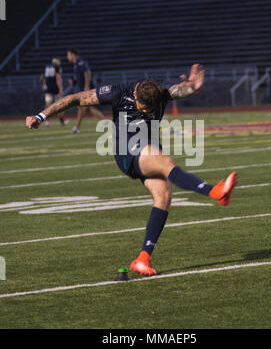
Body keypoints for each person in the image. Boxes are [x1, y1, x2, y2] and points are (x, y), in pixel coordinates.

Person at [26, 64, 238, 276]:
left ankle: (142, 258)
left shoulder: (161, 92)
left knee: (163, 196)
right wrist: (40, 116)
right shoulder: (119, 92)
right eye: (142, 107)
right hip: (127, 152)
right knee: (165, 162)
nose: (145, 112)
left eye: (149, 109)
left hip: (148, 149)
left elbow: (180, 90)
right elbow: (73, 98)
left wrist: (193, 88)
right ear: (135, 93)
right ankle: (215, 191)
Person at [66, 48, 104, 133]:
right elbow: (79, 77)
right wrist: (73, 79)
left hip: (85, 89)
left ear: (73, 54)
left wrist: (86, 87)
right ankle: (106, 122)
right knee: (86, 108)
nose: (67, 57)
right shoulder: (76, 64)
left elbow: (87, 73)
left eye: (68, 55)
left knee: (81, 107)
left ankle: (76, 127)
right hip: (82, 89)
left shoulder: (80, 62)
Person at [40, 58, 67, 126]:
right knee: (59, 105)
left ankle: (47, 121)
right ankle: (62, 121)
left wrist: (42, 85)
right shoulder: (57, 67)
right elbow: (58, 78)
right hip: (55, 88)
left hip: (48, 88)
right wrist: (61, 88)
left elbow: (41, 77)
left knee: (48, 104)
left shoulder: (46, 67)